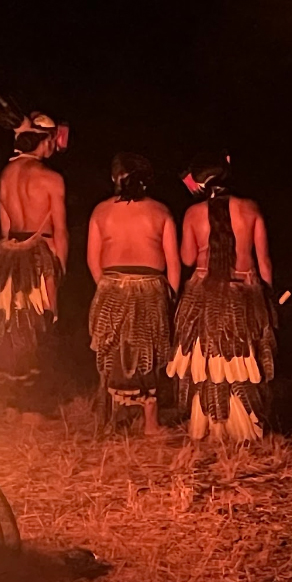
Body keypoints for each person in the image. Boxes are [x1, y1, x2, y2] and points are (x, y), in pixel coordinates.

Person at [166, 151, 277, 442]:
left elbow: (188, 258)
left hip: (204, 294)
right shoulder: (250, 208)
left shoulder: (193, 214)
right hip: (244, 291)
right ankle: (246, 426)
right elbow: (263, 260)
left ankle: (215, 426)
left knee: (208, 360)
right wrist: (268, 298)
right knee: (244, 358)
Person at [87, 153, 180, 436]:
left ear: (116, 178)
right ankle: (150, 423)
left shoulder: (101, 211)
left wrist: (106, 288)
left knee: (114, 350)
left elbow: (93, 259)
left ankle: (116, 417)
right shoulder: (161, 211)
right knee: (146, 353)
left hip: (112, 284)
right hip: (150, 287)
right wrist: (170, 297)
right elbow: (173, 263)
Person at [0, 107, 68, 394]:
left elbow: (5, 228)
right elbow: (60, 230)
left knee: (12, 323)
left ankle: (12, 397)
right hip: (40, 253)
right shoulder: (50, 178)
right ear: (44, 140)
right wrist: (59, 267)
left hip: (9, 255)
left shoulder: (5, 175)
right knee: (41, 322)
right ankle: (33, 400)